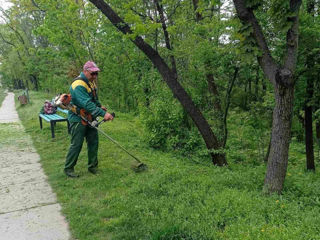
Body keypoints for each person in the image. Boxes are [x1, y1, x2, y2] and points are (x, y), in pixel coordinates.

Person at [64, 61, 114, 178]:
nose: (95, 76)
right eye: (93, 74)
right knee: (76, 144)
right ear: (85, 71)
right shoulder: (78, 85)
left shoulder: (91, 83)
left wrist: (100, 106)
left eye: (96, 74)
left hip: (90, 117)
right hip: (77, 119)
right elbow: (86, 103)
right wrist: (103, 114)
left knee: (93, 142)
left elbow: (94, 100)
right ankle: (68, 168)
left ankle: (93, 167)